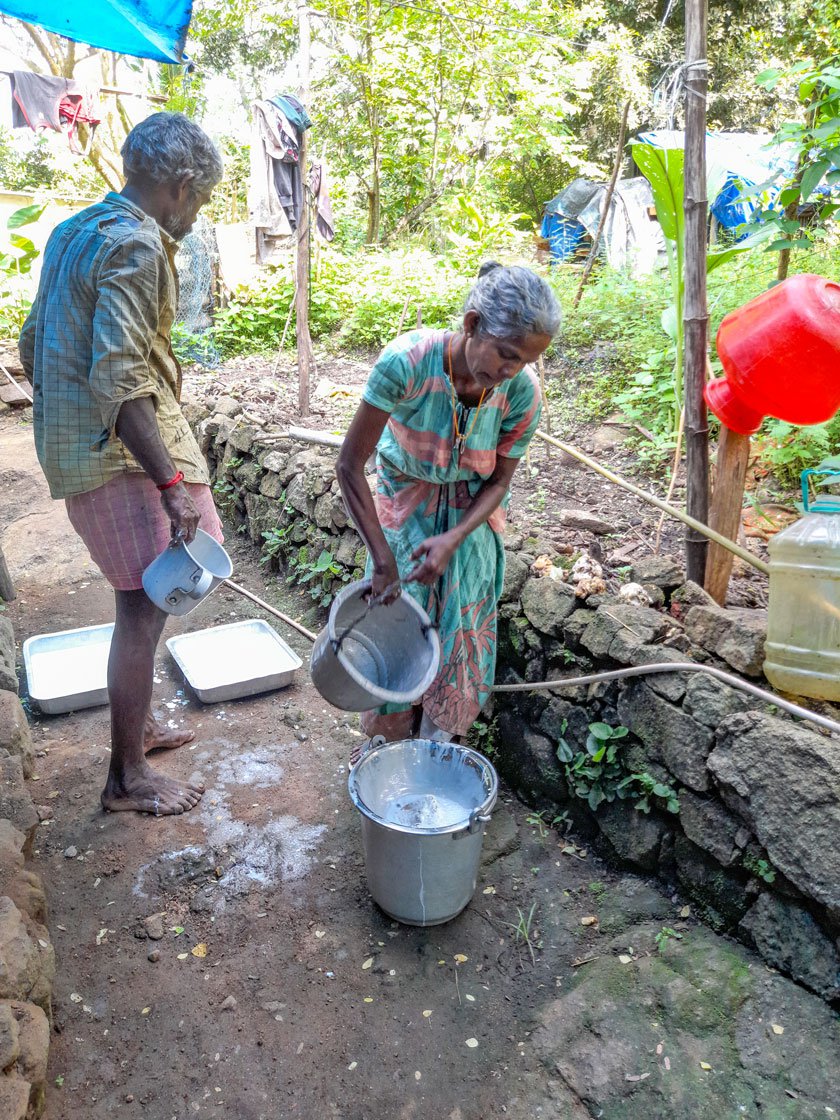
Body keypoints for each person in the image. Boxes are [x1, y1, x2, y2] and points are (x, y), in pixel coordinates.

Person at [18, 112, 224, 816]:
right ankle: (125, 776)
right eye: (198, 202)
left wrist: (60, 414)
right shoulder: (138, 244)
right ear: (181, 185)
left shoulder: (76, 230)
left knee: (145, 601)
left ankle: (137, 731)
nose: (194, 217)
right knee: (141, 607)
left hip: (83, 443)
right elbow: (121, 379)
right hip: (119, 456)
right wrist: (170, 483)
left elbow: (31, 337)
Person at [337, 262, 561, 754]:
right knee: (397, 627)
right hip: (404, 506)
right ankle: (385, 750)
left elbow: (499, 481)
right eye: (505, 355)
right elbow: (349, 466)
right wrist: (383, 559)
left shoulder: (520, 394)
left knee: (462, 636)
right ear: (473, 324)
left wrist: (455, 537)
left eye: (522, 362)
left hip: (471, 520)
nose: (507, 372)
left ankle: (436, 753)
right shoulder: (407, 364)